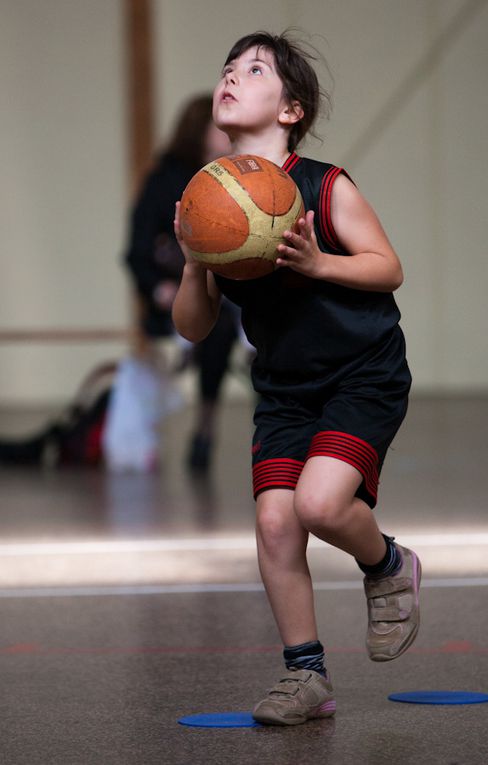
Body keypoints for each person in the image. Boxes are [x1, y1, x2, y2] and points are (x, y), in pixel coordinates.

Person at [172, 31, 421, 726]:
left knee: (317, 504)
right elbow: (193, 326)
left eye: (253, 70)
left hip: (361, 373)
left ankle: (387, 563)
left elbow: (387, 266)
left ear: (291, 109)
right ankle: (304, 674)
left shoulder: (324, 184)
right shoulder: (210, 196)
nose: (231, 77)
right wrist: (196, 260)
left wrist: (317, 264)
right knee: (276, 521)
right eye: (226, 67)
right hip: (284, 386)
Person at [124, 94, 238, 470]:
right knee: (217, 324)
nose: (230, 135)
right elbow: (138, 252)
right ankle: (205, 426)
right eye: (220, 128)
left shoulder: (237, 178)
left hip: (233, 293)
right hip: (177, 295)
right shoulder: (163, 181)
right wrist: (160, 289)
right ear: (199, 131)